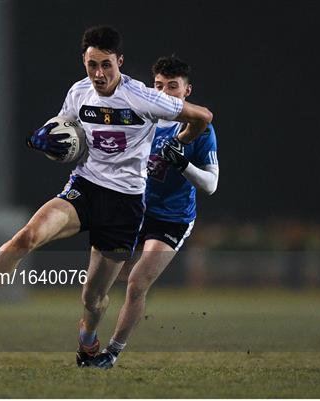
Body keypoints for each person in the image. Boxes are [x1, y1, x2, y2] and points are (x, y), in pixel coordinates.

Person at [0, 27, 213, 368]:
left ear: (119, 62)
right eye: (92, 65)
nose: (99, 74)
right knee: (26, 236)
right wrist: (42, 139)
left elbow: (203, 117)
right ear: (84, 61)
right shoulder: (79, 93)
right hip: (85, 188)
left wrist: (181, 141)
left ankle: (88, 340)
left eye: (106, 65)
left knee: (93, 300)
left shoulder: (144, 97)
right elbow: (63, 130)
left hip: (124, 205)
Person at [89, 56, 219, 369]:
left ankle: (112, 352)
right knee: (97, 284)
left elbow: (211, 184)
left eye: (172, 87)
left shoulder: (199, 129)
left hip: (172, 217)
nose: (164, 92)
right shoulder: (138, 117)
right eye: (159, 85)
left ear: (187, 91)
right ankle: (87, 339)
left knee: (137, 282)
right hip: (135, 209)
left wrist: (183, 164)